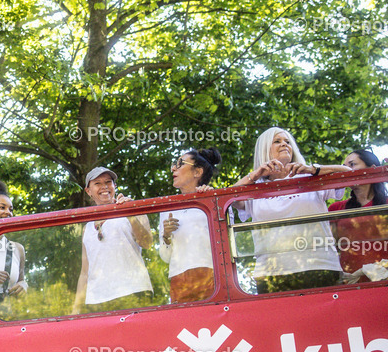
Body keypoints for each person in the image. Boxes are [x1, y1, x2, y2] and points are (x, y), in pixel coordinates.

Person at [231, 128, 350, 293]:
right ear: (264, 149)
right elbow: (228, 199)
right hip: (271, 274)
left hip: (320, 266)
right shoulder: (253, 188)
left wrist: (313, 169)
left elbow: (350, 174)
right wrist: (255, 174)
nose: (284, 145)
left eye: (287, 142)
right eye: (277, 141)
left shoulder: (311, 178)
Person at [72, 167, 153, 313]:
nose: (104, 186)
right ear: (88, 191)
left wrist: (129, 212)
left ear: (114, 186)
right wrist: (76, 308)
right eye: (97, 183)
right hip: (98, 300)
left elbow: (147, 243)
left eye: (108, 182)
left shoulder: (134, 209)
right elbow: (84, 272)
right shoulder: (87, 228)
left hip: (134, 291)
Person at [159, 148, 222, 302]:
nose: (173, 168)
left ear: (197, 172)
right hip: (179, 279)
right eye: (174, 164)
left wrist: (210, 199)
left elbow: (226, 242)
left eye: (180, 164)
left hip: (212, 275)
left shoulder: (216, 202)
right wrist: (166, 236)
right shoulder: (167, 209)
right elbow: (165, 258)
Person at [329, 149, 388, 276]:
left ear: (372, 169)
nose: (345, 171)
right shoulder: (336, 208)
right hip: (350, 280)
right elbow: (328, 247)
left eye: (352, 165)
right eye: (343, 167)